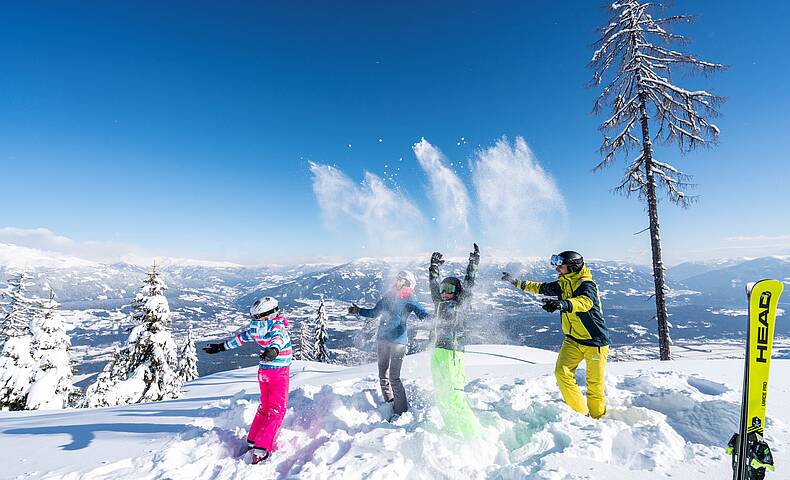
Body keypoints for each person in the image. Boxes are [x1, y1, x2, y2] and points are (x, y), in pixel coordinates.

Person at [502, 251, 610, 419]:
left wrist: (562, 304)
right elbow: (540, 287)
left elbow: (585, 302)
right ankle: (582, 416)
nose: (557, 268)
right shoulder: (563, 283)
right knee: (562, 373)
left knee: (595, 385)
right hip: (573, 340)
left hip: (595, 342)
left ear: (572, 266)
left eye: (560, 265)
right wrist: (515, 283)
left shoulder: (586, 285)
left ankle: (598, 419)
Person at [203, 296, 292, 464]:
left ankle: (252, 441)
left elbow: (240, 339)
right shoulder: (276, 325)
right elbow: (277, 338)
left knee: (265, 408)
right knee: (277, 411)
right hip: (278, 373)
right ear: (272, 313)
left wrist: (220, 347)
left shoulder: (256, 328)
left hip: (264, 372)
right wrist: (273, 350)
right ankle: (261, 448)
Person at [347, 270, 430, 420]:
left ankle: (401, 411)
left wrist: (431, 319)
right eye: (397, 279)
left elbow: (421, 312)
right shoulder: (388, 297)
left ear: (407, 283)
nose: (396, 281)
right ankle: (389, 402)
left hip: (399, 342)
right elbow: (374, 313)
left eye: (400, 279)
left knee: (394, 377)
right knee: (382, 374)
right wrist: (358, 311)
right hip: (383, 340)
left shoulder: (410, 298)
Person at [428, 243, 482, 439]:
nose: (444, 292)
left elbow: (469, 283)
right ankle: (451, 430)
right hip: (438, 352)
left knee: (455, 396)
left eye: (449, 289)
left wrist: (473, 264)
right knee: (441, 394)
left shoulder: (461, 304)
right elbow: (433, 286)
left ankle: (474, 437)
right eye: (444, 288)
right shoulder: (440, 303)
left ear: (457, 292)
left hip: (452, 353)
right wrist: (434, 268)